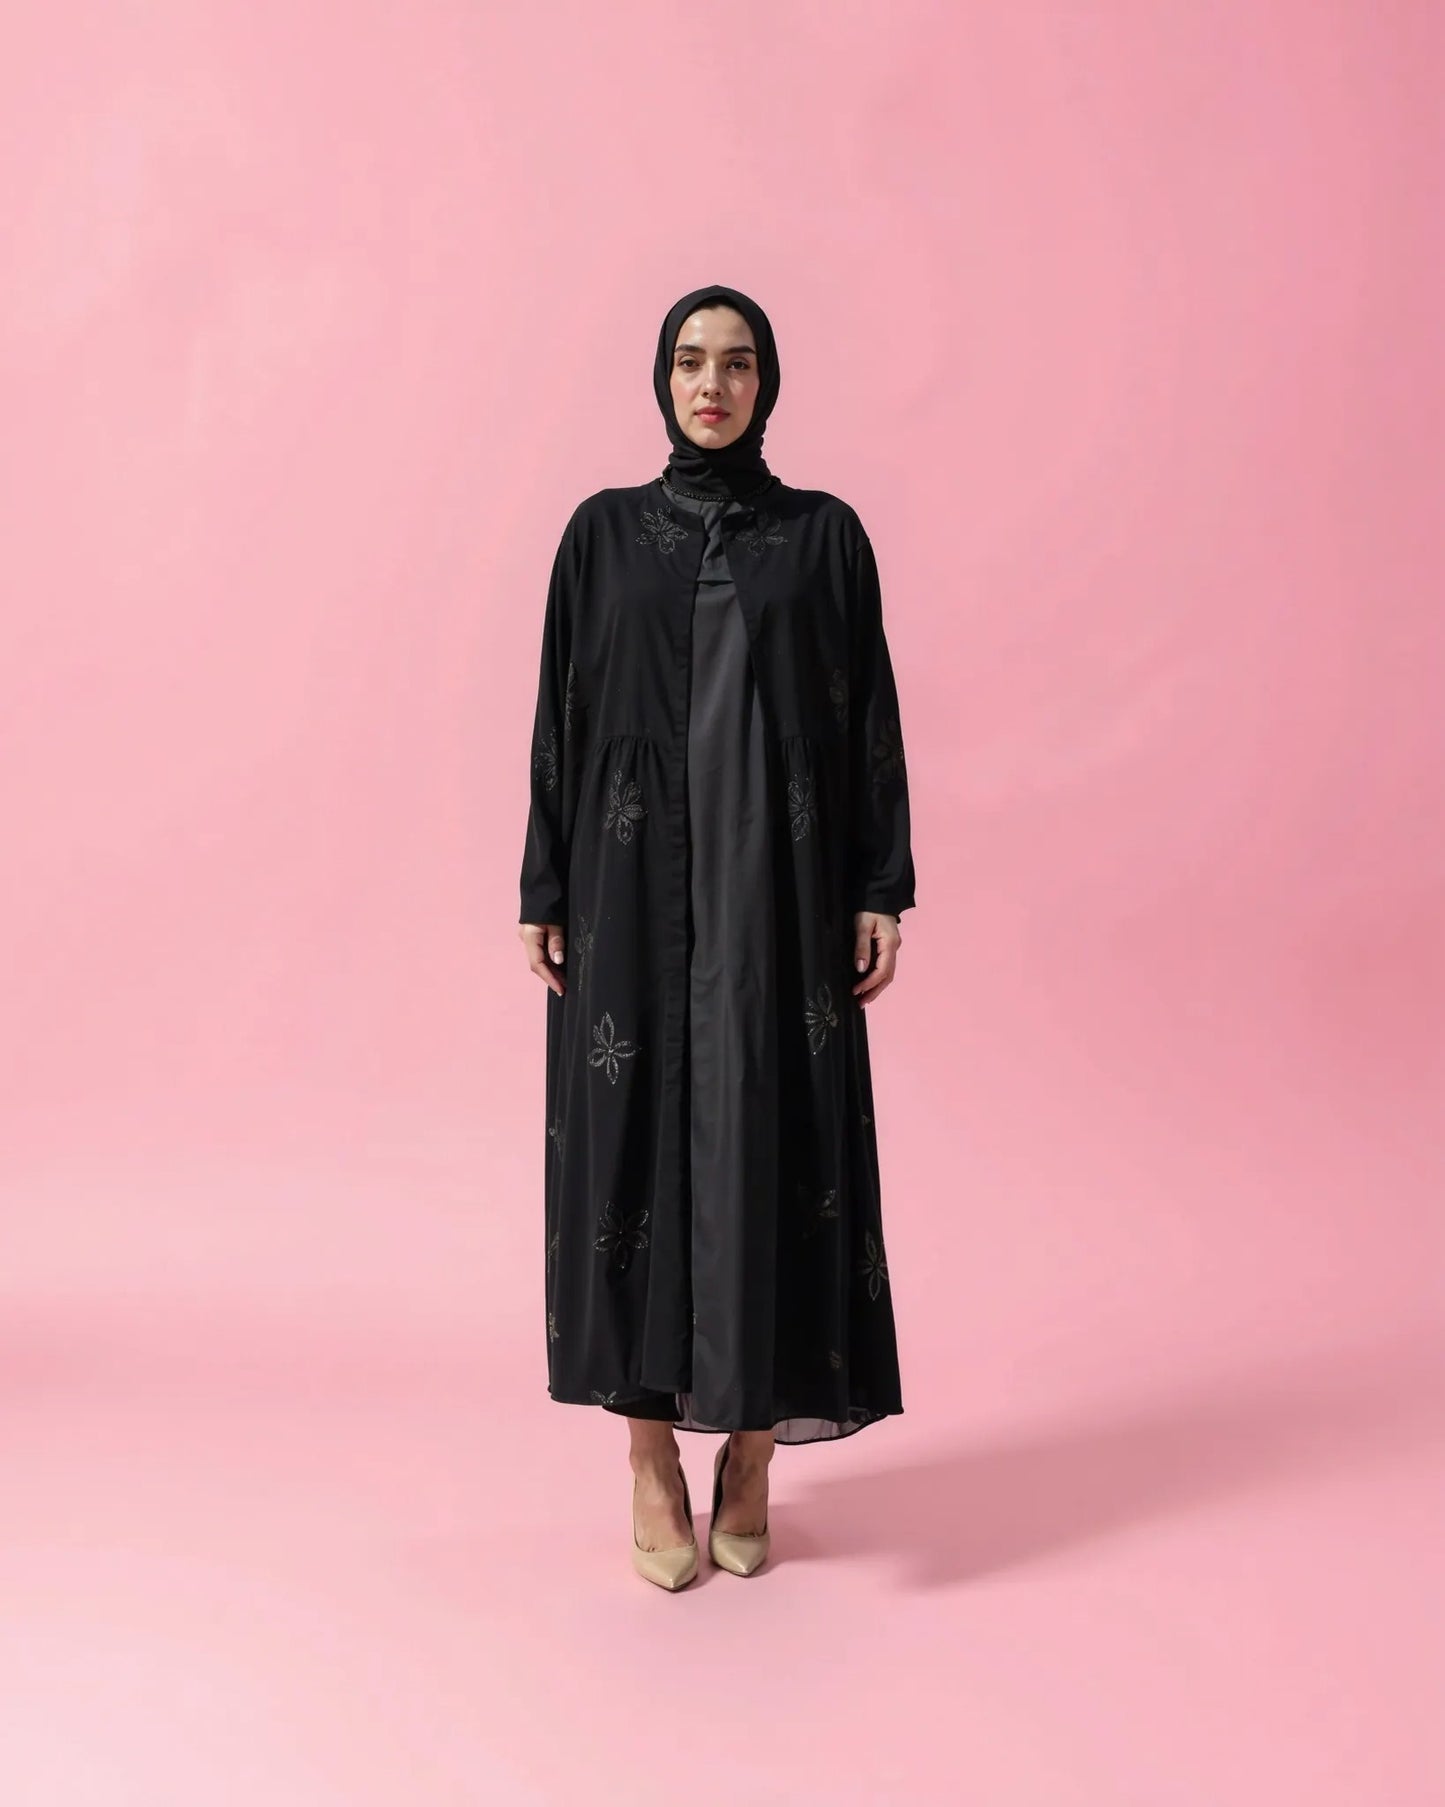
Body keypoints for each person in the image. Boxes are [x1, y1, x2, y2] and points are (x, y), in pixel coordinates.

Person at [517, 283, 916, 1589]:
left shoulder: (823, 538)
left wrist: (880, 885)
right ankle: (648, 1455)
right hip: (630, 897)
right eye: (691, 361)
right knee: (626, 1156)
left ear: (766, 384)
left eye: (737, 364)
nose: (711, 385)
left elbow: (868, 720)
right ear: (662, 378)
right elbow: (560, 718)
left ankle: (750, 1457)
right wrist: (543, 884)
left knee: (774, 1144)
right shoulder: (601, 535)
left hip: (777, 898)